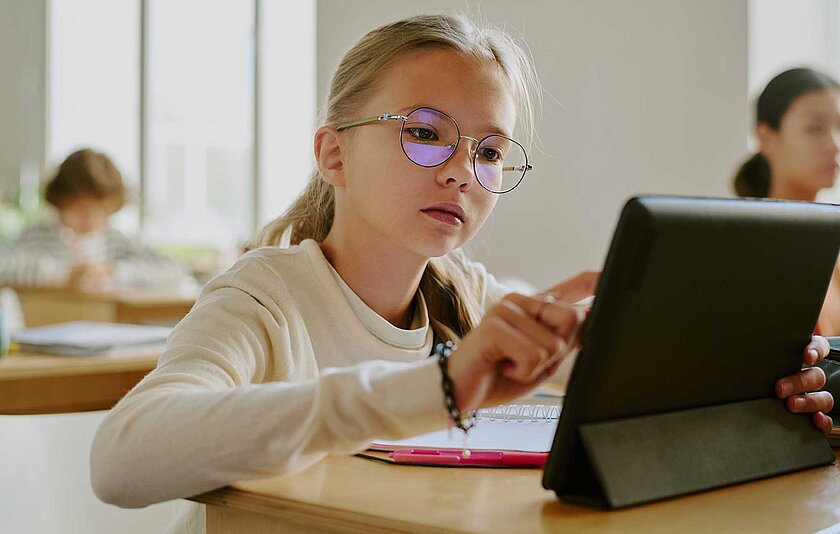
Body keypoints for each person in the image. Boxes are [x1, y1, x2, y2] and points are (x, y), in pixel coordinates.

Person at [91, 15, 834, 533]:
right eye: (423, 134)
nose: (460, 173)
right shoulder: (265, 295)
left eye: (487, 151)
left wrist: (768, 381)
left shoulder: (469, 295)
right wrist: (438, 388)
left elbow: (633, 381)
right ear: (334, 154)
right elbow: (121, 461)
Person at [732, 67, 840, 409]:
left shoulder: (832, 243)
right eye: (815, 128)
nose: (835, 144)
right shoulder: (744, 247)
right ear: (765, 136)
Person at [0, 148, 185, 291]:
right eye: (81, 209)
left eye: (102, 210)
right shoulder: (38, 236)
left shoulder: (116, 242)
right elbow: (5, 266)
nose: (92, 219)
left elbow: (172, 269)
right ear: (60, 203)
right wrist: (65, 274)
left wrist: (112, 272)